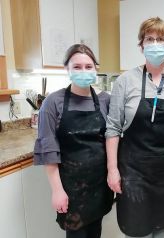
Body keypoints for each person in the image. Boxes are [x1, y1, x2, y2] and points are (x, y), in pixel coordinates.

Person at [106, 17, 164, 238]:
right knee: (137, 230)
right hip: (134, 173)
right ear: (141, 45)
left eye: (161, 39)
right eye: (149, 39)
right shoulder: (125, 81)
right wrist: (112, 169)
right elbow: (113, 129)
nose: (155, 44)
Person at [33, 44, 114, 238]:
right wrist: (57, 191)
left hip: (99, 185)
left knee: (95, 231)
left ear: (96, 69)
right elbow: (48, 150)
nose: (83, 71)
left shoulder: (106, 100)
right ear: (66, 69)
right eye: (77, 67)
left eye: (88, 66)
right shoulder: (53, 102)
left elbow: (113, 139)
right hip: (71, 188)